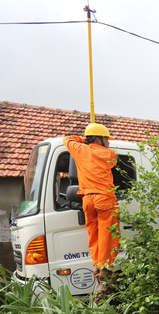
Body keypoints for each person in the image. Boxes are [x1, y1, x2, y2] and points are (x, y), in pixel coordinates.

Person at [63, 123, 119, 290]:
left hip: (88, 200)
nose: (108, 143)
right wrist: (91, 142)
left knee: (93, 234)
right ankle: (104, 267)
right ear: (99, 139)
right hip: (104, 198)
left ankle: (96, 264)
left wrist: (84, 141)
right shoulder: (110, 154)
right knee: (108, 235)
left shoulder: (78, 150)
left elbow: (67, 139)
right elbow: (112, 164)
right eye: (106, 139)